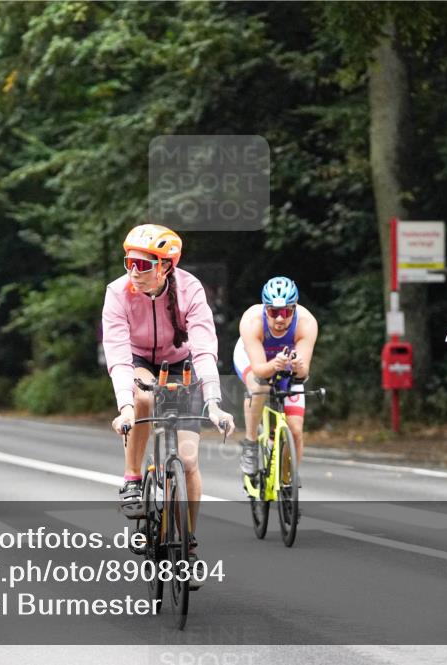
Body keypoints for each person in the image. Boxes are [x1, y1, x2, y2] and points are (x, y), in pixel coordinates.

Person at [102, 224, 235, 585]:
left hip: (183, 363)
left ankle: (188, 544)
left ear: (165, 266)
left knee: (189, 460)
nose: (133, 271)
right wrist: (125, 407)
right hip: (138, 360)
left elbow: (206, 347)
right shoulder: (117, 292)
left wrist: (214, 402)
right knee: (142, 398)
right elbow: (116, 354)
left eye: (142, 265)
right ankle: (132, 479)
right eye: (129, 261)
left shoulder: (190, 289)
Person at [233, 277, 318, 476]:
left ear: (295, 309)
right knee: (259, 386)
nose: (280, 318)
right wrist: (274, 365)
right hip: (253, 359)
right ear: (265, 310)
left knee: (295, 430)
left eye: (286, 312)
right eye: (273, 312)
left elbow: (303, 373)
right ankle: (251, 444)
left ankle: (288, 482)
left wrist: (298, 366)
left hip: (286, 363)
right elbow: (260, 370)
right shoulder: (251, 320)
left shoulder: (306, 323)